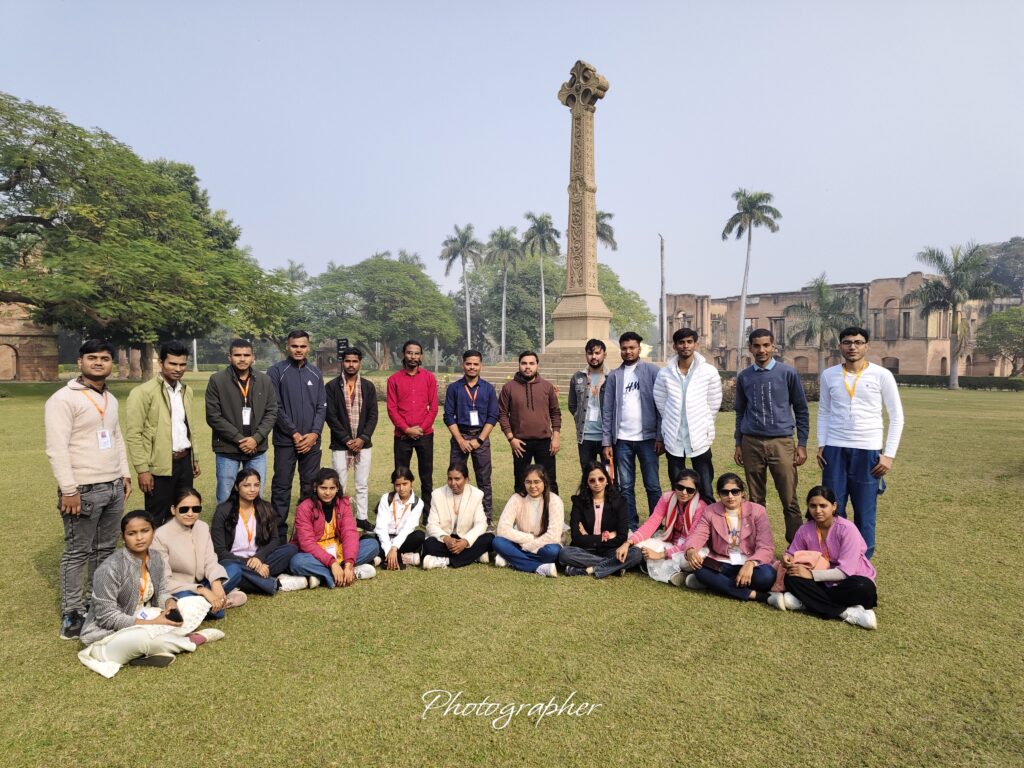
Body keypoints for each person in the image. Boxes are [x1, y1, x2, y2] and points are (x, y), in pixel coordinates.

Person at [45, 339, 133, 640]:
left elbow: (116, 437)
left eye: (105, 358)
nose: (98, 363)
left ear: (111, 364)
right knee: (77, 552)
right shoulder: (62, 399)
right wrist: (69, 489)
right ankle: (72, 612)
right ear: (79, 362)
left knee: (105, 549)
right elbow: (56, 448)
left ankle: (99, 602)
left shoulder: (110, 398)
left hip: (112, 485)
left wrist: (124, 474)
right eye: (92, 358)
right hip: (82, 488)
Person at [77, 510, 223, 678]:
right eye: (132, 533)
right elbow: (106, 618)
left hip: (146, 617)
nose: (139, 538)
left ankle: (149, 651)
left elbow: (162, 592)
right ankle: (192, 640)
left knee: (194, 602)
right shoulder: (109, 569)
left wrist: (169, 604)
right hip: (109, 637)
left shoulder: (155, 558)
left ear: (153, 531)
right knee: (142, 638)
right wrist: (153, 622)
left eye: (145, 531)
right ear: (123, 537)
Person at [817, 326, 904, 559]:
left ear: (867, 346)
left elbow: (897, 416)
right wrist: (822, 444)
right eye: (847, 342)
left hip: (868, 450)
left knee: (865, 511)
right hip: (835, 449)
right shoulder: (829, 375)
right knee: (833, 507)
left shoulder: (881, 375)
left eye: (858, 342)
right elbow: (824, 411)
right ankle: (835, 555)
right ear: (840, 346)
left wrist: (889, 455)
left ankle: (862, 560)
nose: (852, 347)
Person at [733, 328, 810, 543]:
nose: (762, 350)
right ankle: (759, 545)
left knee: (789, 498)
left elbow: (801, 409)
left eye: (766, 345)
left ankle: (796, 547)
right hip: (751, 442)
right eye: (757, 346)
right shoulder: (744, 376)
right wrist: (738, 443)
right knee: (756, 500)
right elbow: (740, 412)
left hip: (781, 442)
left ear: (773, 346)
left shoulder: (787, 373)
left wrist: (802, 443)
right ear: (750, 348)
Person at [769, 485, 878, 629]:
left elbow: (845, 572)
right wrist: (787, 559)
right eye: (813, 506)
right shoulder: (805, 529)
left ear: (834, 506)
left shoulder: (847, 529)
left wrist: (811, 575)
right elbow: (792, 552)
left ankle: (808, 602)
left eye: (823, 506)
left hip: (849, 582)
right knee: (791, 577)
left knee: (863, 588)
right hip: (823, 583)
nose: (818, 510)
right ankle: (846, 612)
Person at [124, 340, 201, 527]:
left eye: (182, 364)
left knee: (184, 514)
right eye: (172, 364)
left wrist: (195, 458)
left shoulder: (186, 391)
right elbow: (134, 434)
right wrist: (142, 470)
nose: (178, 369)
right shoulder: (142, 392)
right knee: (156, 519)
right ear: (161, 363)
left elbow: (188, 427)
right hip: (158, 466)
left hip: (184, 462)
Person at [268, 330, 327, 542]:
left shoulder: (315, 373)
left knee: (310, 487)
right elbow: (275, 406)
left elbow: (321, 407)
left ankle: (306, 534)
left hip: (311, 442)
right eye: (294, 346)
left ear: (308, 347)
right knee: (281, 487)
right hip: (286, 441)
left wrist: (314, 434)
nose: (299, 350)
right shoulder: (276, 372)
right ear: (287, 346)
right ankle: (278, 536)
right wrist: (293, 433)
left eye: (302, 346)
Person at [151, 488, 246, 619]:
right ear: (173, 510)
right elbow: (164, 581)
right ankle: (220, 602)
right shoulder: (160, 536)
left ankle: (211, 602)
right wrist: (202, 590)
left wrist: (216, 583)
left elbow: (210, 560)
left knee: (234, 569)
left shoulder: (202, 527)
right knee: (186, 599)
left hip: (205, 582)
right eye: (184, 509)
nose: (190, 513)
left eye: (196, 509)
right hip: (180, 589)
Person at [653, 328, 722, 505]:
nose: (685, 346)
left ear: (696, 344)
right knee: (678, 488)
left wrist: (704, 424)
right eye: (681, 342)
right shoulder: (665, 373)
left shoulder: (708, 371)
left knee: (705, 488)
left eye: (689, 342)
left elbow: (714, 403)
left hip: (699, 436)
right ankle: (680, 521)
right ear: (675, 346)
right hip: (674, 437)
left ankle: (707, 521)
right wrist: (670, 421)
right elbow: (661, 402)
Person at [601, 332, 663, 530]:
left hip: (648, 439)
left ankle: (656, 525)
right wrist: (607, 442)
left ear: (639, 349)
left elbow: (661, 407)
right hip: (622, 440)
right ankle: (631, 525)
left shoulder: (652, 372)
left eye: (632, 348)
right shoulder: (614, 376)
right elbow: (607, 410)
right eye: (624, 348)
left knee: (652, 485)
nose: (628, 351)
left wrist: (660, 436)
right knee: (626, 486)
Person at [681, 473, 777, 601]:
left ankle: (715, 584)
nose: (730, 496)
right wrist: (691, 550)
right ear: (719, 495)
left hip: (752, 563)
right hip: (723, 563)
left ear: (742, 493)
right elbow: (698, 534)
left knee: (767, 576)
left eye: (735, 491)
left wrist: (750, 563)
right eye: (725, 492)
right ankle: (755, 595)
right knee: (700, 570)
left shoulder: (758, 511)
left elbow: (766, 546)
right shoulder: (710, 511)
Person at [205, 338, 279, 504]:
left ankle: (252, 523)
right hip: (227, 448)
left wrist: (256, 438)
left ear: (253, 357)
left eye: (246, 355)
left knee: (255, 495)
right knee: (225, 496)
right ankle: (226, 523)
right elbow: (213, 416)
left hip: (256, 449)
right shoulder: (217, 380)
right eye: (237, 355)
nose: (242, 359)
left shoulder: (264, 380)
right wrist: (240, 439)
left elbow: (272, 412)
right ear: (229, 357)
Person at [211, 469, 301, 595]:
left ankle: (245, 581)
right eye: (246, 485)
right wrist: (252, 564)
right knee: (231, 568)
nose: (252, 489)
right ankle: (275, 584)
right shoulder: (223, 510)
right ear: (236, 487)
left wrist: (259, 558)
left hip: (261, 559)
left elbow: (275, 539)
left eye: (256, 485)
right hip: (234, 561)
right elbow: (219, 551)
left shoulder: (266, 508)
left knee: (290, 549)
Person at [288, 468, 379, 588]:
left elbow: (350, 534)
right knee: (297, 561)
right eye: (323, 488)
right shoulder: (304, 508)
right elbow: (307, 543)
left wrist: (349, 564)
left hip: (338, 550)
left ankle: (328, 575)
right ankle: (342, 574)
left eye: (332, 488)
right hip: (315, 554)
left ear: (337, 488)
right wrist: (332, 563)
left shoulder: (343, 504)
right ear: (315, 487)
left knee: (372, 545)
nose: (328, 493)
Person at [443, 349, 499, 527]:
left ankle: (486, 517)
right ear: (463, 365)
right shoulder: (454, 388)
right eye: (468, 364)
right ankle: (454, 517)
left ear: (481, 366)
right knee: (456, 478)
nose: (472, 367)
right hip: (460, 437)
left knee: (484, 479)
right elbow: (448, 416)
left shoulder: (488, 389)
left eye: (476, 364)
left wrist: (479, 440)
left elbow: (493, 416)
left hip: (480, 437)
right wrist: (460, 440)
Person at [325, 346, 379, 531]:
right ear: (342, 362)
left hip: (363, 443)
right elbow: (330, 416)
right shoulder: (332, 386)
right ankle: (338, 519)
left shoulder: (368, 386)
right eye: (347, 361)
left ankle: (362, 518)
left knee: (362, 484)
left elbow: (373, 415)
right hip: (340, 444)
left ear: (360, 363)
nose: (351, 365)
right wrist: (347, 439)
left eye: (354, 361)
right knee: (339, 484)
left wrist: (363, 438)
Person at [625, 468, 707, 586]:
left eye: (690, 490)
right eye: (680, 487)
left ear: (696, 491)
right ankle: (675, 573)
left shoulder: (700, 507)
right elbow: (651, 524)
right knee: (639, 545)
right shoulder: (667, 498)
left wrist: (660, 555)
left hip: (689, 548)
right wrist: (629, 542)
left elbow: (691, 541)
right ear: (675, 485)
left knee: (691, 559)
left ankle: (657, 568)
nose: (684, 492)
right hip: (670, 542)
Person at [558, 463, 642, 578]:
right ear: (587, 483)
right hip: (586, 549)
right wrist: (605, 536)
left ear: (607, 480)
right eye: (592, 480)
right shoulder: (579, 502)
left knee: (636, 554)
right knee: (564, 553)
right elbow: (576, 538)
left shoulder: (619, 502)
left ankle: (588, 569)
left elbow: (622, 536)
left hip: (611, 549)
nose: (597, 483)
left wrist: (588, 536)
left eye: (601, 479)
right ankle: (614, 568)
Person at [386, 340, 438, 522]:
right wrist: (407, 429)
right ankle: (402, 514)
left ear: (421, 356)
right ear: (403, 354)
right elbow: (391, 409)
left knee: (426, 475)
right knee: (401, 476)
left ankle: (427, 514)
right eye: (409, 353)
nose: (413, 357)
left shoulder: (429, 378)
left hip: (425, 435)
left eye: (416, 353)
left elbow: (433, 408)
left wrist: (421, 429)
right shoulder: (393, 380)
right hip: (402, 436)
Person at [498, 352, 562, 495]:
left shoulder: (547, 387)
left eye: (531, 363)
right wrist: (511, 438)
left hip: (545, 442)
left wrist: (556, 437)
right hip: (520, 443)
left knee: (549, 480)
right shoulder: (509, 387)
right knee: (521, 482)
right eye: (524, 363)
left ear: (537, 365)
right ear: (519, 365)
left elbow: (555, 413)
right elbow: (502, 414)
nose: (528, 367)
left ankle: (551, 509)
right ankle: (521, 509)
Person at [492, 465, 563, 577]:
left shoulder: (554, 500)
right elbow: (502, 529)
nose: (532, 486)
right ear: (524, 483)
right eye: (528, 482)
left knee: (552, 551)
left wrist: (529, 546)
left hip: (543, 546)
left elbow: (553, 536)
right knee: (498, 541)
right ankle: (539, 567)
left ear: (544, 482)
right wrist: (529, 538)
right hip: (521, 543)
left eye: (537, 482)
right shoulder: (516, 498)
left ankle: (511, 559)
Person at [423, 463, 495, 569]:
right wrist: (446, 539)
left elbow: (481, 524)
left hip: (466, 537)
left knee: (489, 538)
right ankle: (475, 555)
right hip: (446, 539)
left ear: (467, 480)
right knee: (428, 544)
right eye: (450, 479)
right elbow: (431, 525)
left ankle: (445, 561)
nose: (453, 483)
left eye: (457, 479)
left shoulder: (476, 494)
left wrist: (465, 541)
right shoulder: (437, 494)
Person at [567, 339, 609, 474]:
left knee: (610, 475)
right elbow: (572, 405)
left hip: (606, 438)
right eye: (590, 353)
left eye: (597, 353)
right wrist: (578, 417)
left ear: (604, 354)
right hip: (585, 437)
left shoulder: (612, 377)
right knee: (587, 476)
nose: (594, 357)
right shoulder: (577, 377)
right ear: (586, 355)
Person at [373, 467, 427, 570]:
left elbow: (408, 529)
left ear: (412, 482)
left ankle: (380, 558)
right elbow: (381, 527)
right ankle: (402, 558)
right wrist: (388, 550)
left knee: (420, 536)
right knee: (369, 539)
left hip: (403, 541)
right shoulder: (386, 498)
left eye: (405, 484)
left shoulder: (418, 503)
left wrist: (394, 548)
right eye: (397, 485)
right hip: (384, 539)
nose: (401, 488)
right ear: (394, 485)